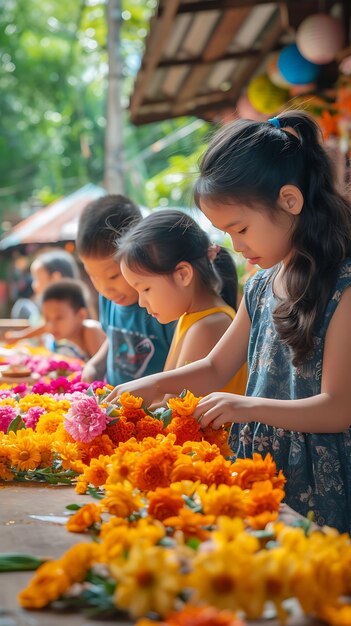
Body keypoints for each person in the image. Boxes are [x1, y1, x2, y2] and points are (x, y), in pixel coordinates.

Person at [106, 111, 351, 533]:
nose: (236, 247)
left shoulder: (342, 287)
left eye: (241, 228)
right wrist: (147, 386)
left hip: (321, 481)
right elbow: (217, 367)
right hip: (260, 469)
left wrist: (243, 406)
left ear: (289, 201)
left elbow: (337, 410)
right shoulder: (259, 287)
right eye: (225, 233)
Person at [117, 209, 247, 396]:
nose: (141, 302)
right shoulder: (192, 318)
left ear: (183, 275)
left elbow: (171, 406)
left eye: (145, 289)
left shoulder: (209, 325)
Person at [75, 194, 175, 385]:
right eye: (93, 276)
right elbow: (114, 338)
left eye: (113, 276)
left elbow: (180, 367)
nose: (105, 288)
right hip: (115, 406)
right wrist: (96, 364)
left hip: (154, 409)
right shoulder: (109, 299)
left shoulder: (162, 304)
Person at [5, 249, 80, 343]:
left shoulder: (66, 305)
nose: (34, 285)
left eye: (37, 279)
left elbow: (46, 326)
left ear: (55, 278)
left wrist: (20, 336)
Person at [41, 278, 105, 361]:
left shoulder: (91, 330)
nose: (51, 326)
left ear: (81, 315)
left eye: (59, 318)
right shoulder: (68, 336)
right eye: (47, 319)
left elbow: (101, 370)